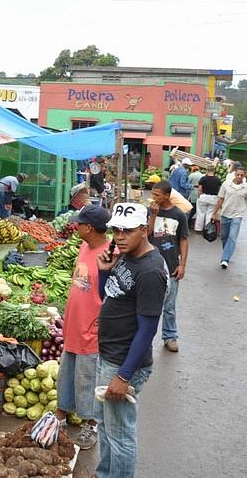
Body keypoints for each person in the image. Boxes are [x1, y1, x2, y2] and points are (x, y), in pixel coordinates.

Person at [95, 202, 169, 478]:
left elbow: (148, 330)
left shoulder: (150, 271)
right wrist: (105, 273)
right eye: (116, 230)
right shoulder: (126, 255)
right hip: (110, 354)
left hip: (124, 362)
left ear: (144, 229)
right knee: (105, 424)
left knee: (120, 434)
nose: (120, 236)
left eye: (127, 230)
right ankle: (105, 473)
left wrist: (124, 376)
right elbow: (111, 296)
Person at [55, 205, 112, 451]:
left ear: (88, 228)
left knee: (88, 379)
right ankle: (60, 415)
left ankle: (92, 424)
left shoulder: (111, 254)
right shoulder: (84, 247)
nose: (74, 226)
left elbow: (113, 296)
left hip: (92, 331)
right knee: (67, 375)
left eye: (78, 223)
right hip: (73, 326)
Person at [148, 180, 189, 353]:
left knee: (170, 306)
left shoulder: (179, 214)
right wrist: (153, 216)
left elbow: (184, 240)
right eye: (153, 194)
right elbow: (146, 234)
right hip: (151, 265)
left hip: (172, 265)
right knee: (148, 305)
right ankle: (144, 339)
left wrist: (182, 265)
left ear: (167, 195)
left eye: (157, 194)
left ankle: (170, 336)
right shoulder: (151, 211)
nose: (153, 197)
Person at [212, 166, 247, 269]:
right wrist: (214, 213)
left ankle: (225, 259)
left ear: (244, 175)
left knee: (232, 237)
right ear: (234, 174)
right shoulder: (226, 185)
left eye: (242, 175)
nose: (239, 176)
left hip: (238, 215)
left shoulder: (245, 187)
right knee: (224, 236)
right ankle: (227, 252)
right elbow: (220, 200)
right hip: (225, 214)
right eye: (238, 174)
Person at [194, 167, 222, 233]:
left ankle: (198, 229)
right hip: (213, 198)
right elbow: (219, 190)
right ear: (214, 171)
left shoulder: (203, 179)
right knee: (210, 213)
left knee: (200, 213)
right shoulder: (218, 180)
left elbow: (200, 189)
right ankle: (207, 229)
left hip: (204, 197)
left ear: (207, 170)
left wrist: (199, 196)